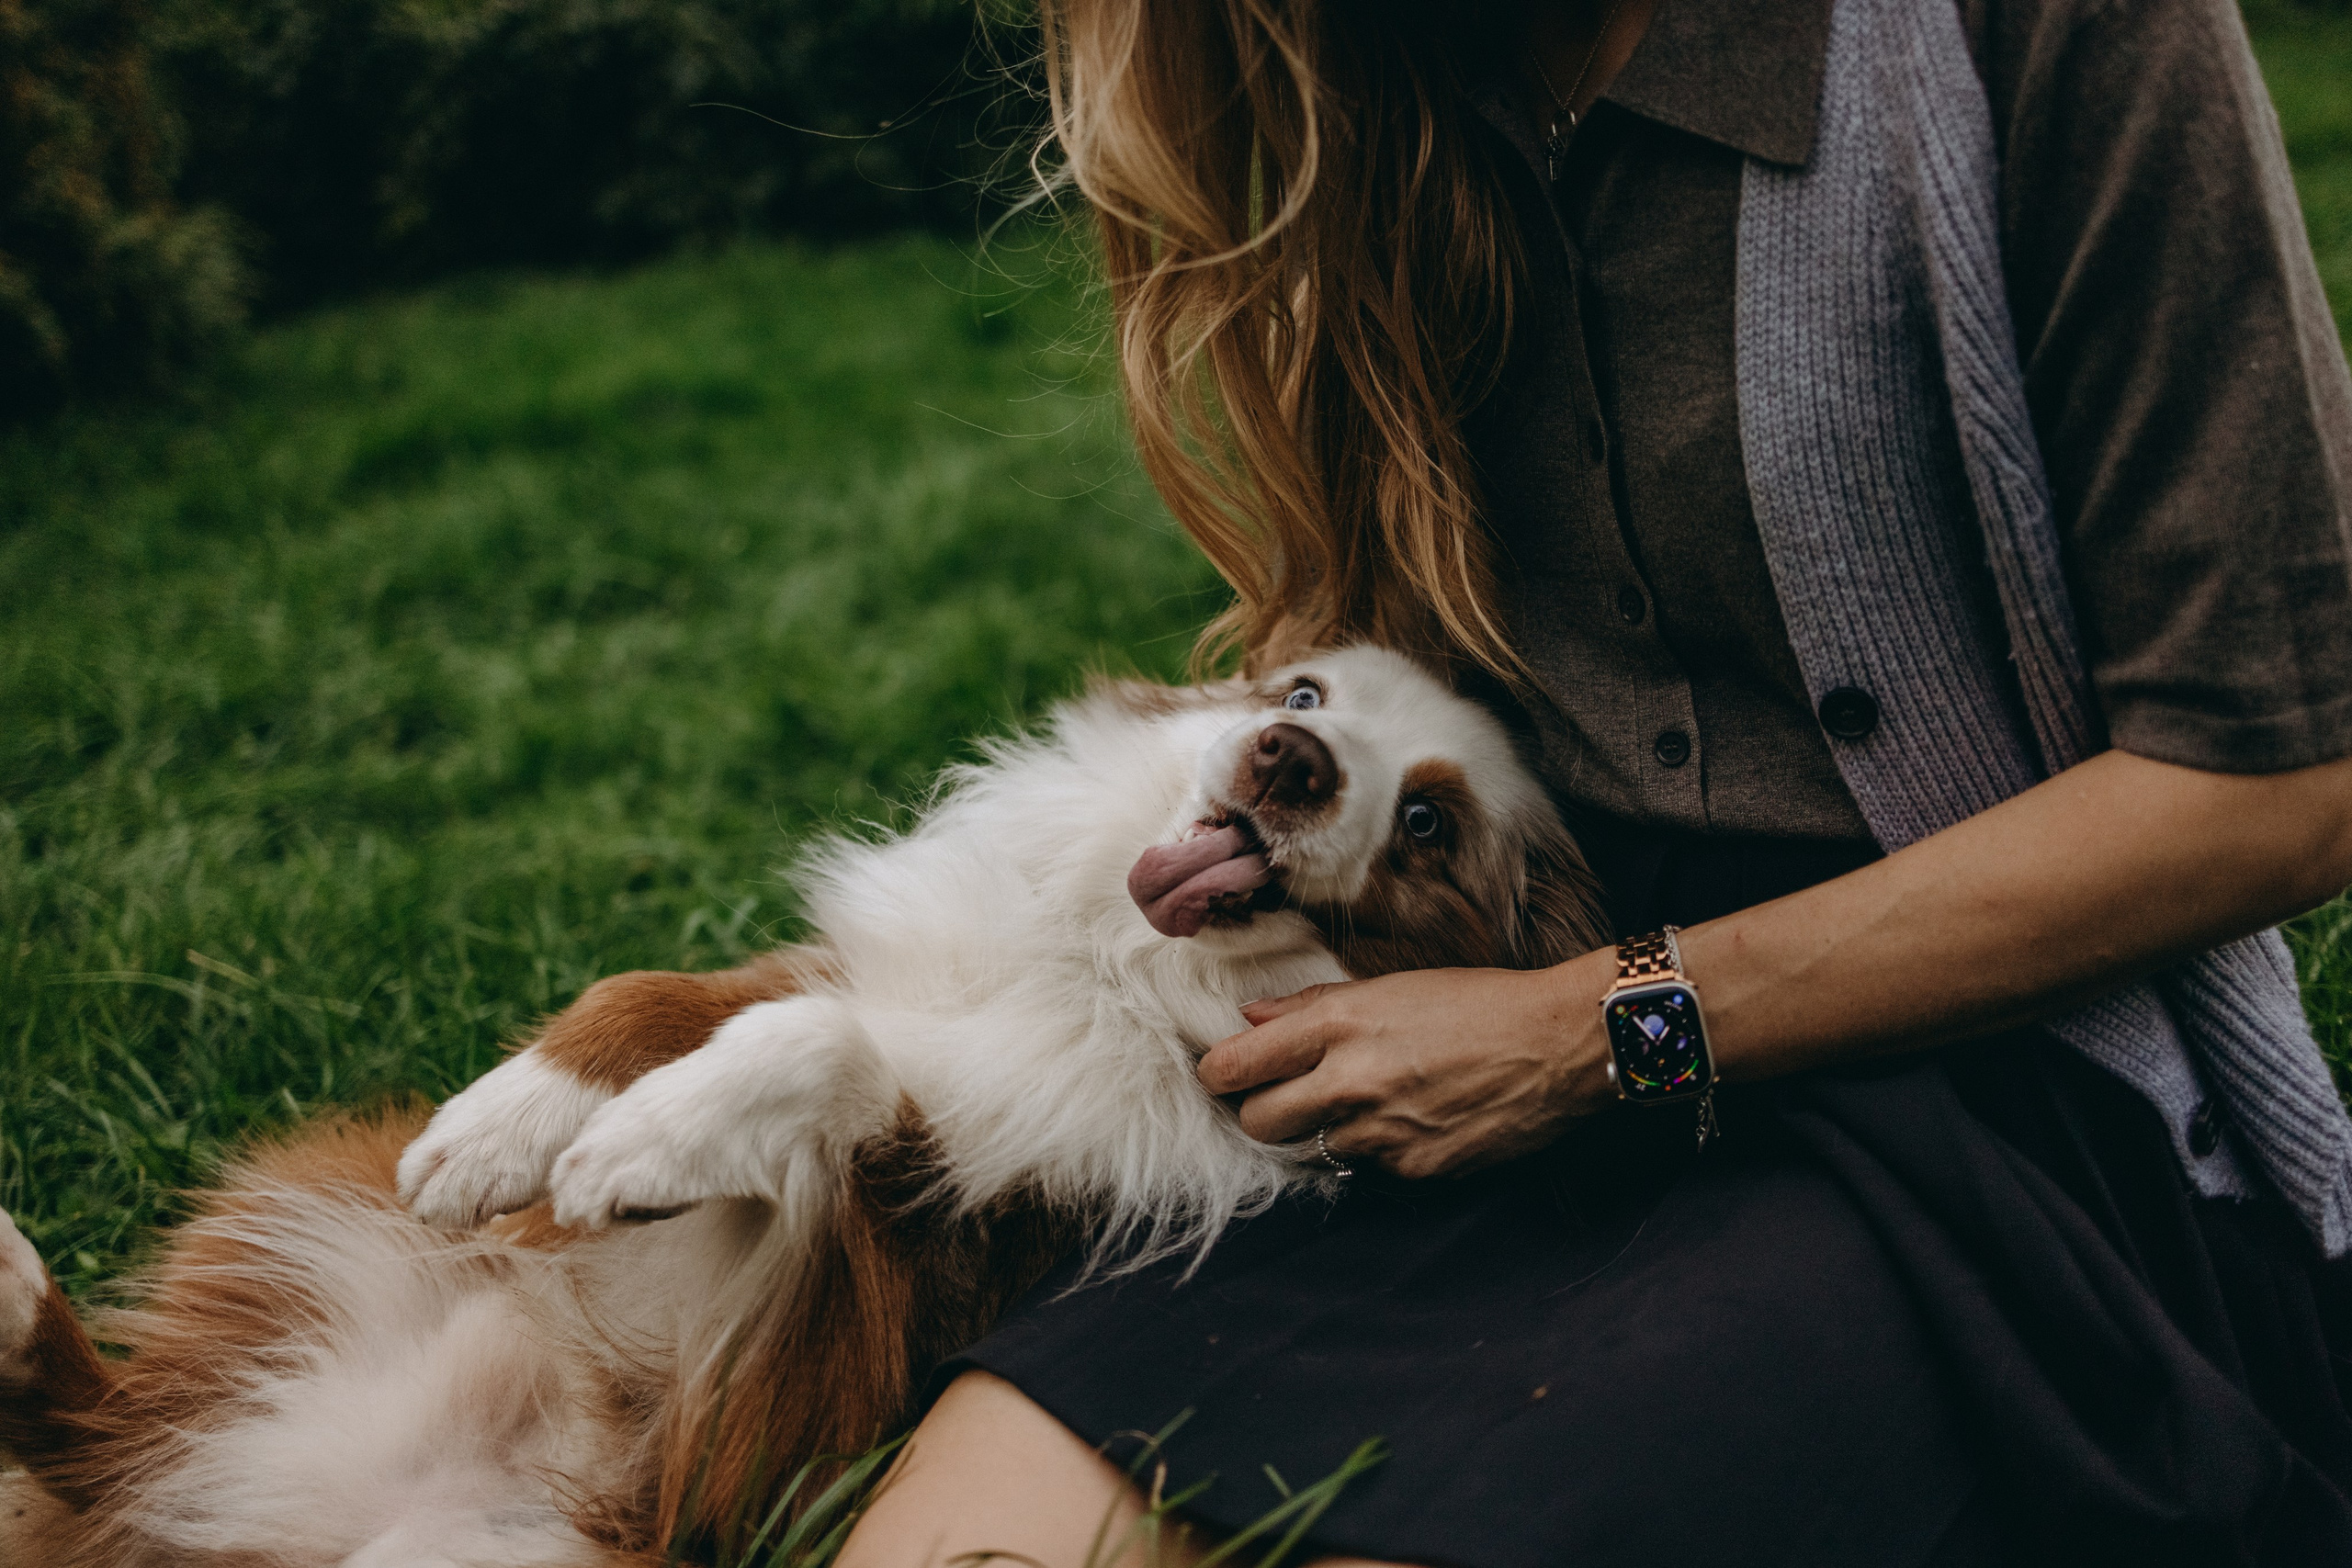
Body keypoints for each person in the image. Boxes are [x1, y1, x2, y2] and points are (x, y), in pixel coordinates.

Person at [839, 0, 2352, 1562]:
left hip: (1987, 1094)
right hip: (1467, 1071)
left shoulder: (2036, 32)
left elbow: (2278, 789)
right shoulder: (1382, 65)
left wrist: (1590, 1031)